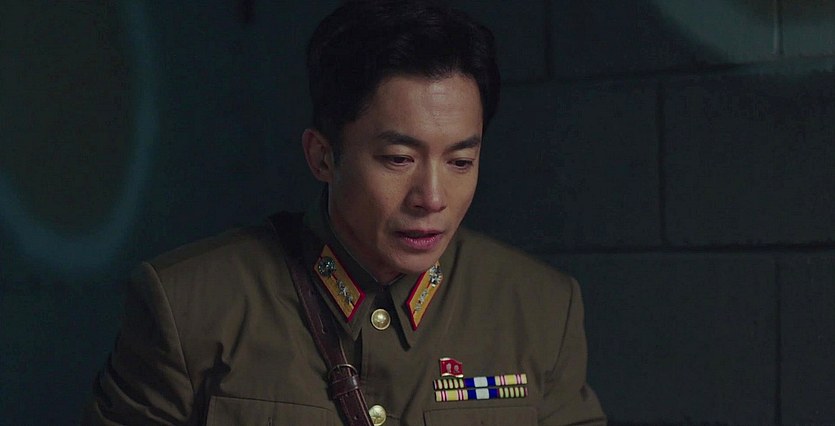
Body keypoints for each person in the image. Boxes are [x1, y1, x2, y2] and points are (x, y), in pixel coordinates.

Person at [83, 0, 606, 424]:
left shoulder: (538, 310)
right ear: (322, 157)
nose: (432, 197)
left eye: (461, 161)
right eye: (398, 159)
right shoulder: (190, 309)